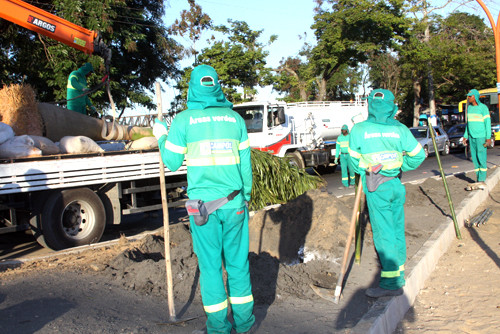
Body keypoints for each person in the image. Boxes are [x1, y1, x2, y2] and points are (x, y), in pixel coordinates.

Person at [153, 65, 255, 334]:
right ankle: (244, 325)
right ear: (217, 86)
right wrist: (246, 198)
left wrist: (161, 135)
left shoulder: (184, 121)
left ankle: (219, 329)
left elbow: (172, 162)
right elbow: (246, 166)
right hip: (234, 204)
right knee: (238, 265)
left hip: (201, 211)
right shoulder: (235, 120)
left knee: (210, 268)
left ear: (193, 87)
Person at [348, 89, 425, 298]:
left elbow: (354, 163)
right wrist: (401, 167)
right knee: (397, 228)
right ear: (391, 106)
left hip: (376, 185)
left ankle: (391, 284)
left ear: (370, 105)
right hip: (395, 185)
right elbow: (419, 155)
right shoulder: (400, 129)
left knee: (384, 233)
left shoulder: (359, 130)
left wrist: (367, 166)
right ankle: (399, 273)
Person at [462, 89, 491, 184]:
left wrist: (488, 138)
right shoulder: (469, 108)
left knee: (481, 158)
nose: (468, 98)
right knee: (474, 159)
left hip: (481, 137)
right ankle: (478, 179)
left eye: (470, 96)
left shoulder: (483, 108)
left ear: (475, 97)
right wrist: (465, 136)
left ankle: (482, 179)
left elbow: (487, 124)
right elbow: (468, 124)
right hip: (472, 137)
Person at [334, 124, 355, 188]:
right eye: (342, 130)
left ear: (347, 130)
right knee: (343, 170)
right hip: (343, 156)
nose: (343, 131)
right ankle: (345, 184)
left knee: (351, 170)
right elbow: (337, 149)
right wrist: (336, 158)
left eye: (344, 130)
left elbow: (353, 146)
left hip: (349, 155)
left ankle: (353, 183)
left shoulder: (350, 137)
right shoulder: (339, 138)